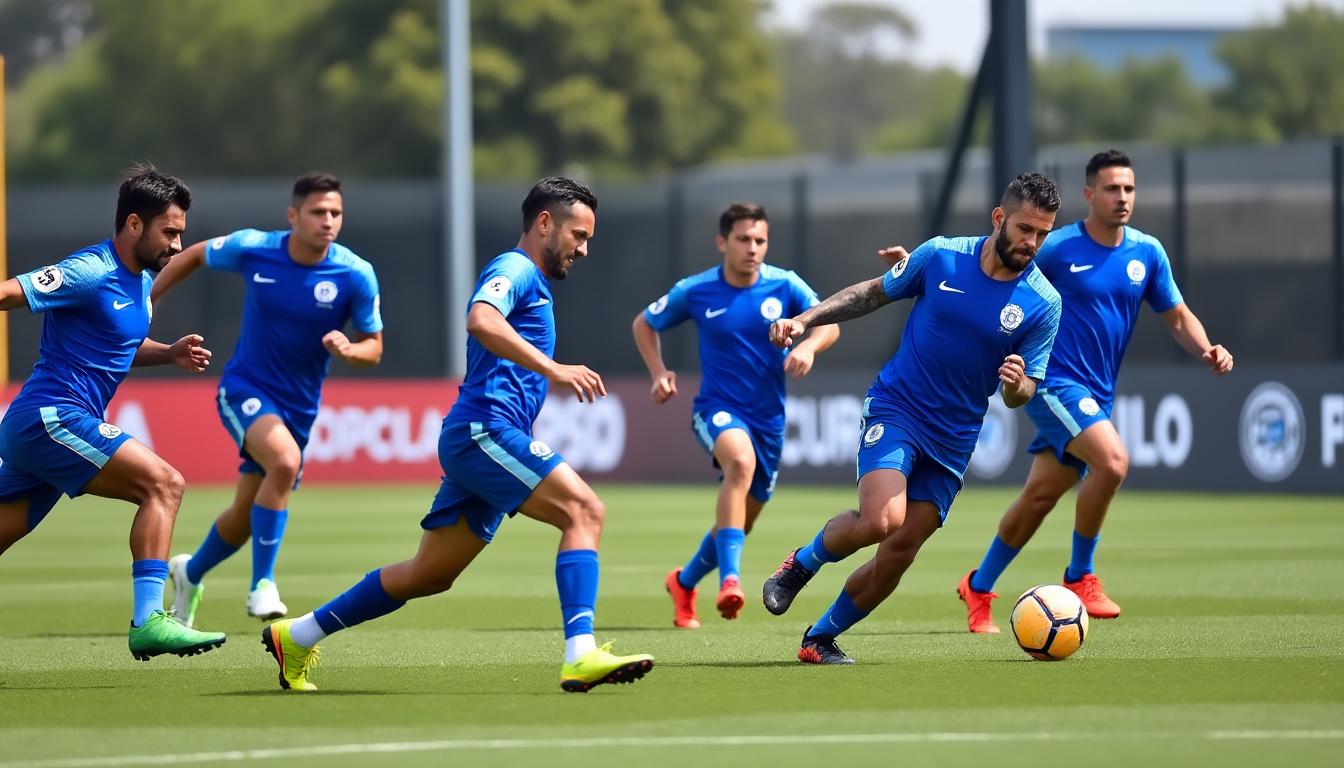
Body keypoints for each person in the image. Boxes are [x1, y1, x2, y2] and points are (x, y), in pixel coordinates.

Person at [258, 177, 655, 692]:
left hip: (479, 434)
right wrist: (554, 369)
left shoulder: (530, 281)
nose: (584, 248)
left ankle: (298, 635)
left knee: (429, 574)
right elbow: (480, 319)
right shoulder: (515, 269)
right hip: (484, 429)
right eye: (578, 235)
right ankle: (579, 653)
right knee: (585, 512)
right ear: (543, 223)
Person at [760, 173, 1063, 664]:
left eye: (1043, 234)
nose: (1032, 242)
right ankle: (802, 564)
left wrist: (1015, 384)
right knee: (882, 519)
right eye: (1026, 229)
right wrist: (806, 318)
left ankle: (819, 638)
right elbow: (871, 293)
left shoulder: (1044, 302)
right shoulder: (941, 254)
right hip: (898, 407)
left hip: (955, 438)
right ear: (999, 218)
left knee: (899, 552)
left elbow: (1024, 394)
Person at [955, 150, 1233, 633]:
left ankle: (978, 586)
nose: (1121, 197)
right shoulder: (1056, 247)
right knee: (1113, 461)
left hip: (1097, 393)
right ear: (1089, 195)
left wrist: (1207, 348)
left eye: (1128, 188)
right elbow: (997, 272)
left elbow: (1178, 316)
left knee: (1039, 498)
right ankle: (1080, 575)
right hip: (1051, 382)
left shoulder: (1147, 253)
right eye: (1111, 188)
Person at [0, 164, 227, 660]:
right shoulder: (91, 270)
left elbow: (117, 344)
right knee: (164, 484)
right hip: (51, 416)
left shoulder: (141, 282)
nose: (175, 244)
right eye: (169, 232)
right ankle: (149, 621)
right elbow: (9, 292)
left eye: (180, 233)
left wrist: (166, 353)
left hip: (37, 428)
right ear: (132, 225)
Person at [152, 173, 384, 627]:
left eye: (336, 213)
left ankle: (188, 572)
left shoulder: (355, 274)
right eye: (318, 212)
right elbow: (197, 253)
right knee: (284, 461)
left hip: (298, 408)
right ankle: (263, 585)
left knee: (244, 515)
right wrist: (149, 297)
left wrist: (349, 349)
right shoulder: (256, 247)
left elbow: (374, 346)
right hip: (245, 389)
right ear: (293, 216)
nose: (328, 221)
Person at [633, 202, 839, 628]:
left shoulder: (785, 285)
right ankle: (730, 581)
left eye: (760, 240)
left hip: (770, 421)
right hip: (717, 410)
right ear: (722, 242)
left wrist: (806, 347)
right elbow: (644, 323)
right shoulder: (697, 289)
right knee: (739, 464)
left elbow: (830, 323)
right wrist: (658, 373)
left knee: (741, 519)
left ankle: (684, 582)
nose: (752, 248)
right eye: (743, 239)